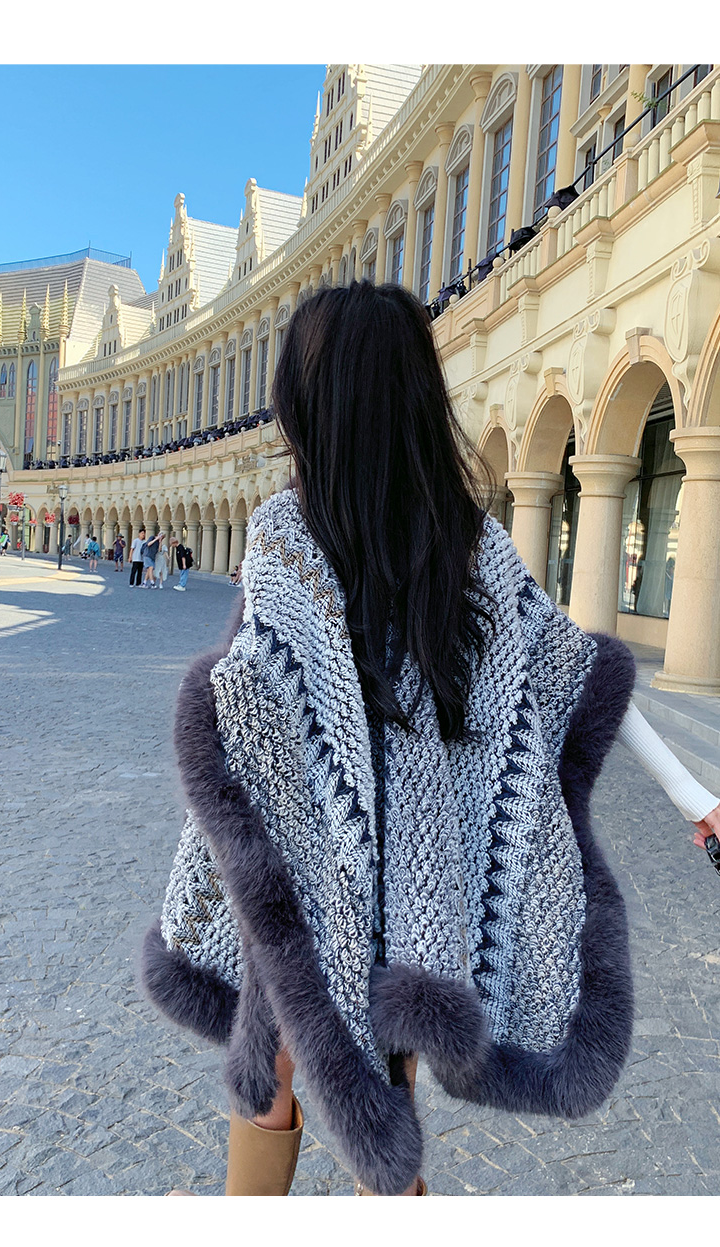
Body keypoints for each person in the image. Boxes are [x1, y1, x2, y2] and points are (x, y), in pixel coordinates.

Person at [141, 282, 720, 1198]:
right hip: (381, 869)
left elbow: (560, 665)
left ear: (316, 403)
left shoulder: (375, 542)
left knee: (304, 1066)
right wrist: (693, 794)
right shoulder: (390, 540)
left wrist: (696, 795)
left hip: (348, 859)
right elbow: (565, 664)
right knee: (334, 1064)